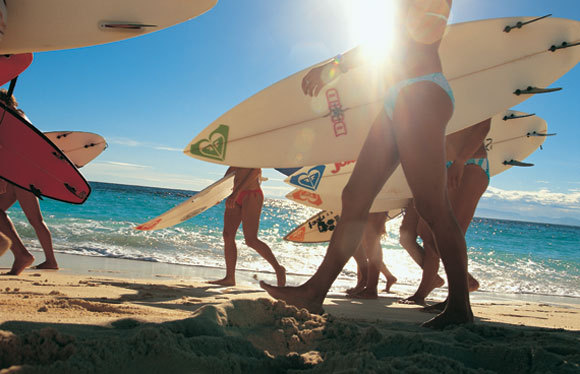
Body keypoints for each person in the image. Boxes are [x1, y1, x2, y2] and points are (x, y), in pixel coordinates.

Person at [261, 0, 473, 328]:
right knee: (355, 197)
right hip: (397, 97)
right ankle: (314, 292)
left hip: (422, 92)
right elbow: (385, 41)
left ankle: (460, 307)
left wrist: (335, 67)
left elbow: (410, 32)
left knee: (432, 206)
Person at [401, 118, 490, 306]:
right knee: (427, 232)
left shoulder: (473, 89)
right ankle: (457, 283)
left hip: (470, 163)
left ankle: (455, 298)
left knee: (452, 232)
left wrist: (460, 161)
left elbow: (483, 124)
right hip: (443, 164)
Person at [0, 90, 59, 275]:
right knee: (36, 220)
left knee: (35, 220)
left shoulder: (9, 120)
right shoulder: (22, 117)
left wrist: (3, 178)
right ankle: (50, 260)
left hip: (18, 174)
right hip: (27, 173)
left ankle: (23, 255)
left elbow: (7, 148)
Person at [209, 167, 286, 287]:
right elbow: (233, 170)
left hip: (251, 195)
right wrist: (218, 194)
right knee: (227, 235)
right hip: (235, 194)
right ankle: (230, 278)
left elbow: (254, 171)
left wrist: (236, 193)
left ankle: (278, 269)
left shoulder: (252, 152)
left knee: (251, 240)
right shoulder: (236, 153)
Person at [347, 212, 398, 299]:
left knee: (370, 238)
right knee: (359, 239)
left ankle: (368, 286)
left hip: (377, 202)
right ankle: (364, 282)